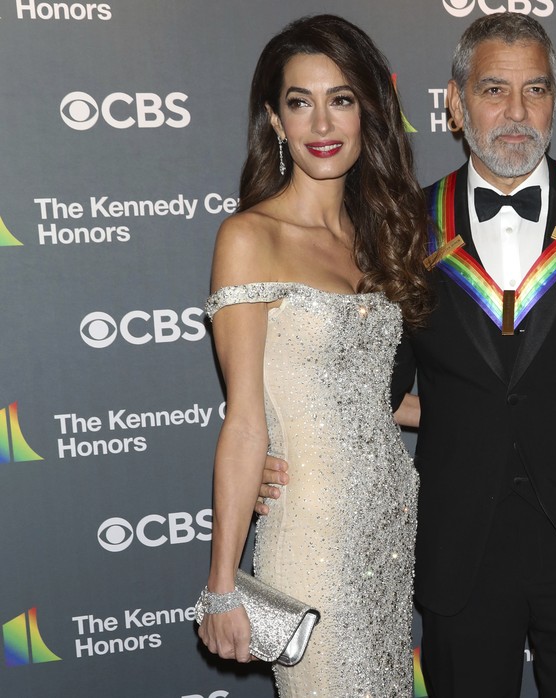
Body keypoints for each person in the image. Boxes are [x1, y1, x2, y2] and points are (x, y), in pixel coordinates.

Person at [260, 12, 556, 697]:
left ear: (554, 101)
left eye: (535, 90)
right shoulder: (403, 227)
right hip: (462, 549)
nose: (516, 112)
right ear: (456, 105)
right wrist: (288, 454)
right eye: (493, 90)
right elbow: (370, 388)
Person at [196, 14, 431, 697]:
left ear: (368, 112)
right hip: (313, 537)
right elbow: (245, 420)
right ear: (274, 119)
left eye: (341, 99)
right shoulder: (249, 237)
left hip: (390, 528)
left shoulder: (382, 236)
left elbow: (378, 401)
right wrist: (221, 585)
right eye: (300, 101)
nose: (321, 123)